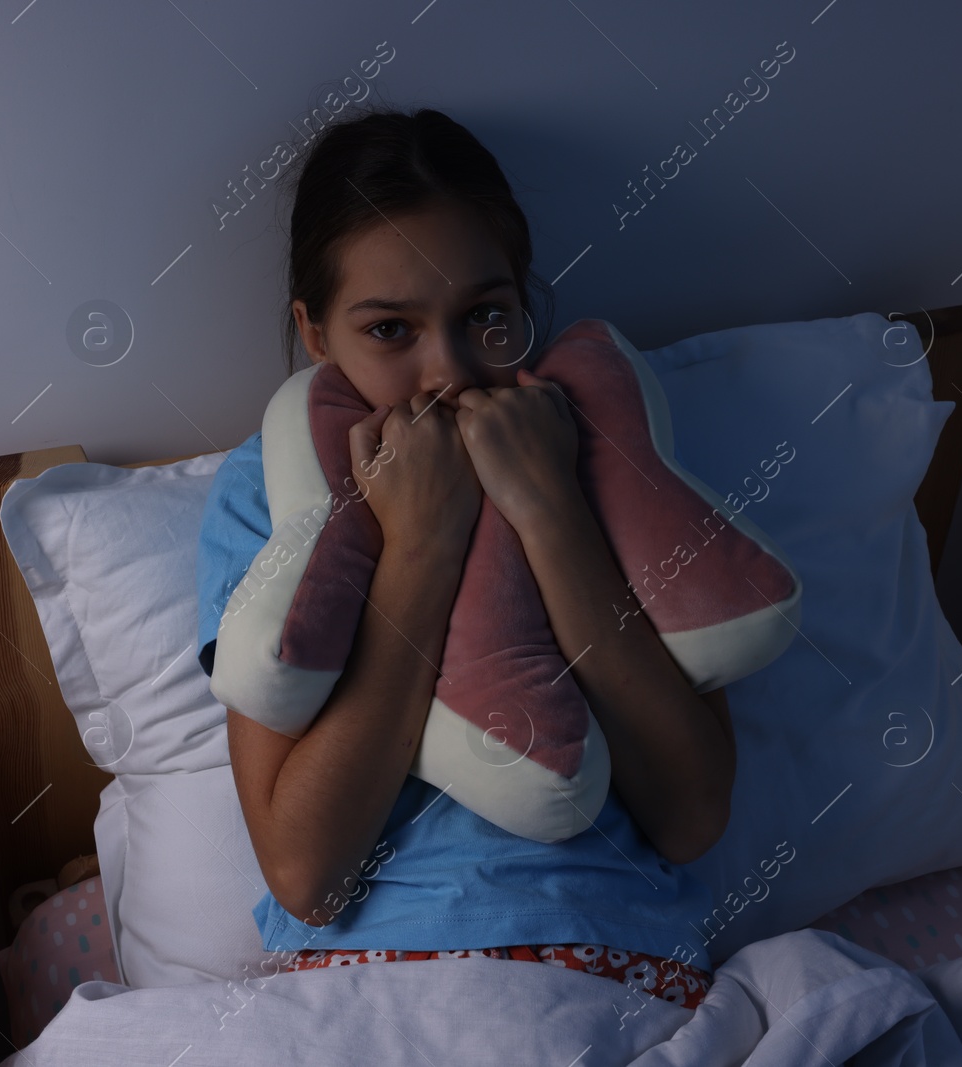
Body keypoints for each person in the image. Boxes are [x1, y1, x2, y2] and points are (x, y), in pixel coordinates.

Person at [194, 106, 734, 1011]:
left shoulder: (608, 451)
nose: (447, 371)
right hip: (375, 976)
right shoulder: (272, 495)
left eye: (485, 316)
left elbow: (691, 817)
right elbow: (305, 872)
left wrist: (552, 510)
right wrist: (422, 547)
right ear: (316, 333)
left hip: (622, 961)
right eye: (391, 330)